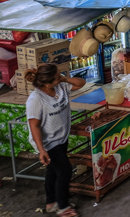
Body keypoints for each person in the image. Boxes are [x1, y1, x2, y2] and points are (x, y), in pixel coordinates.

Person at [26, 64, 86, 217]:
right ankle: (63, 207)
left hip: (61, 137)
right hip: (48, 142)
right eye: (57, 76)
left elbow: (81, 83)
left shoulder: (61, 86)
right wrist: (42, 150)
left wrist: (64, 78)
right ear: (47, 84)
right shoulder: (36, 99)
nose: (60, 77)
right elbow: (35, 126)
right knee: (64, 171)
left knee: (53, 171)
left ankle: (51, 202)